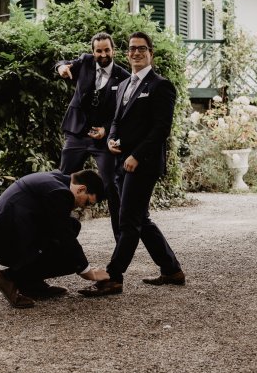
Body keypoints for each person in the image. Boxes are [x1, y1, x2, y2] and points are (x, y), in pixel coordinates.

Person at [79, 32, 185, 297]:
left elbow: (161, 128)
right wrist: (112, 139)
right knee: (141, 219)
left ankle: (113, 277)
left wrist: (137, 155)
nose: (136, 53)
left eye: (142, 49)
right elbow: (116, 120)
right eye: (132, 49)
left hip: (144, 164)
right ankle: (171, 269)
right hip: (121, 162)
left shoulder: (161, 86)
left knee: (128, 220)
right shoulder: (125, 84)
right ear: (127, 53)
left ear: (151, 53)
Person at [0, 169, 109, 308]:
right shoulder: (59, 193)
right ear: (81, 189)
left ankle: (31, 284)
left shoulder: (57, 180)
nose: (84, 207)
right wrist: (88, 272)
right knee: (71, 258)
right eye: (88, 202)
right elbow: (66, 237)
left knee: (73, 226)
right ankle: (8, 278)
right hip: (2, 243)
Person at [55, 32, 129, 240]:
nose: (103, 54)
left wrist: (107, 129)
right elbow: (62, 63)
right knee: (62, 180)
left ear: (113, 50)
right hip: (77, 133)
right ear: (93, 51)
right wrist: (61, 67)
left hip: (102, 139)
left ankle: (120, 238)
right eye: (99, 50)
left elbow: (123, 112)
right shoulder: (85, 63)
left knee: (112, 184)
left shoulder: (122, 77)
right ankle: (55, 230)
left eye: (107, 50)